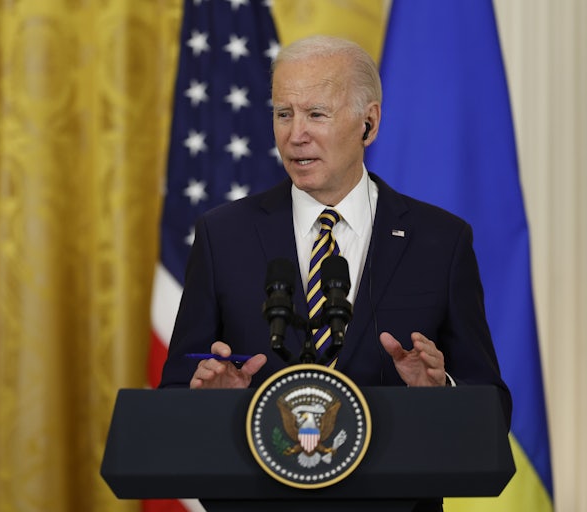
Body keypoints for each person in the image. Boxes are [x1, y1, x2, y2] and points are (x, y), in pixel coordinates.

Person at [158, 36, 511, 429]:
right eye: (283, 114)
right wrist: (208, 402)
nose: (295, 135)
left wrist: (439, 393)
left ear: (369, 123)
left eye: (316, 114)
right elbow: (173, 397)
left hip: (389, 488)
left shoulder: (441, 242)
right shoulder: (221, 236)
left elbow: (492, 408)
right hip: (259, 486)